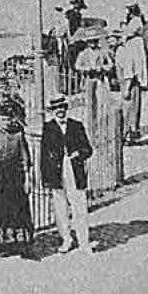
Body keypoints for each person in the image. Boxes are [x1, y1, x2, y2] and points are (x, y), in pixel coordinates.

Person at [40, 97, 93, 253]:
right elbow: (43, 155)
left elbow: (88, 149)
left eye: (62, 107)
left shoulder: (77, 126)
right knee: (60, 207)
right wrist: (46, 178)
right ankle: (66, 239)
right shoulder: (48, 128)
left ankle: (84, 241)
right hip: (56, 172)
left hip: (74, 170)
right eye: (56, 108)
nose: (60, 111)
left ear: (66, 108)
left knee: (79, 206)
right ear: (53, 111)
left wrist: (78, 154)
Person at [0, 107, 34, 256]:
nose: (6, 122)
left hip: (16, 178)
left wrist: (27, 180)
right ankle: (2, 245)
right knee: (0, 210)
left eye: (9, 119)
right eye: (3, 119)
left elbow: (25, 159)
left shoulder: (18, 136)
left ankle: (20, 244)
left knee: (18, 210)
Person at [114, 14, 148, 144]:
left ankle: (127, 134)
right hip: (133, 81)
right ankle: (132, 132)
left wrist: (126, 87)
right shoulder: (139, 42)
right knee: (134, 107)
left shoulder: (130, 45)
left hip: (128, 81)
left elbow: (130, 68)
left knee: (128, 108)